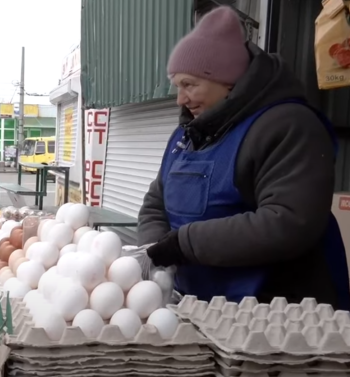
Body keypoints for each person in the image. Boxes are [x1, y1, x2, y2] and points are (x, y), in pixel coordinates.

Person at [138, 6, 350, 310]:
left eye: (189, 84)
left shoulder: (288, 126)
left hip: (278, 317)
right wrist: (154, 248)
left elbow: (288, 222)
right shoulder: (187, 135)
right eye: (177, 85)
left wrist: (183, 244)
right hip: (199, 309)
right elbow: (155, 202)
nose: (180, 99)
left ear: (228, 81)